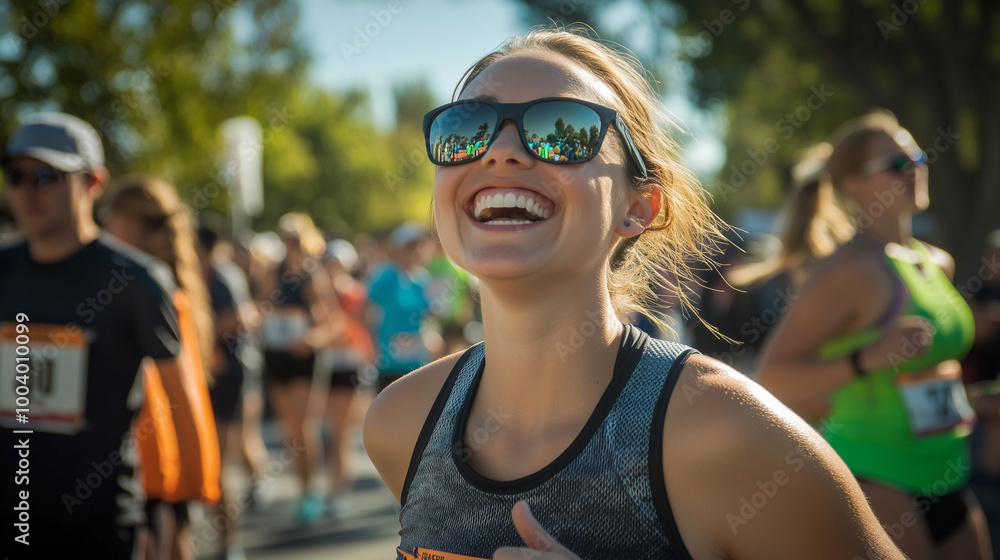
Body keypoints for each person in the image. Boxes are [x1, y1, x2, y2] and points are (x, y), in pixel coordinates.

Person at [363, 28, 904, 559]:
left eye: (563, 129)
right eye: (468, 127)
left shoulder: (727, 433)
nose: (501, 152)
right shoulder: (400, 423)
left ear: (640, 206)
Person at [756, 110, 992, 559]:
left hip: (947, 472)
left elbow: (927, 374)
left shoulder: (935, 262)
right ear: (852, 185)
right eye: (897, 164)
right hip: (873, 476)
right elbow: (772, 378)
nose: (915, 169)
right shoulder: (847, 271)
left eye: (917, 158)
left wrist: (974, 399)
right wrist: (867, 358)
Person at [0, 113, 209, 558]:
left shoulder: (136, 281)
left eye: (46, 175)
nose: (28, 190)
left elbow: (184, 400)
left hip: (100, 528)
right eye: (15, 176)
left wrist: (178, 518)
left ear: (93, 182)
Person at [101, 175, 222, 560]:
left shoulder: (146, 284)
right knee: (172, 537)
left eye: (110, 214)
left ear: (133, 221)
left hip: (155, 440)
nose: (103, 223)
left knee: (159, 541)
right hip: (171, 437)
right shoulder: (171, 278)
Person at [254, 212, 336, 522]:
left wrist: (311, 339)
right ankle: (302, 489)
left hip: (303, 357)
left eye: (295, 239)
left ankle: (311, 491)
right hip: (275, 355)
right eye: (285, 238)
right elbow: (261, 307)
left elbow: (332, 322)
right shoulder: (271, 272)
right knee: (289, 431)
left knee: (304, 428)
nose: (290, 244)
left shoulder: (313, 275)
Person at [318, 238, 376, 516]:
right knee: (325, 430)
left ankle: (337, 490)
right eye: (328, 263)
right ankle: (327, 487)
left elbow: (359, 330)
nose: (331, 269)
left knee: (340, 431)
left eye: (336, 263)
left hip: (348, 366)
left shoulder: (356, 294)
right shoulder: (317, 291)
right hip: (322, 364)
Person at [367, 222, 442, 393]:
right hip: (388, 362)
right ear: (397, 249)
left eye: (419, 246)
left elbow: (429, 318)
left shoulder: (423, 279)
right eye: (409, 247)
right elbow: (367, 313)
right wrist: (369, 346)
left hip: (419, 362)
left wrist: (433, 337)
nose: (415, 252)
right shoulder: (386, 276)